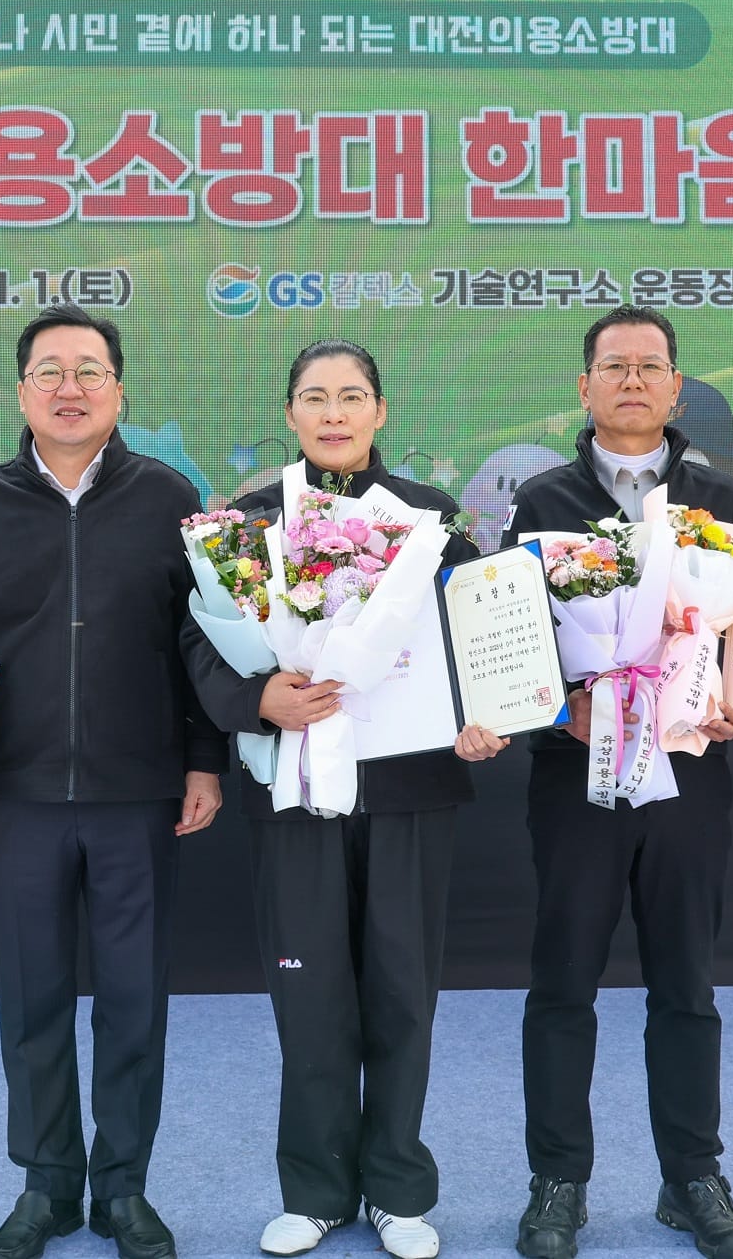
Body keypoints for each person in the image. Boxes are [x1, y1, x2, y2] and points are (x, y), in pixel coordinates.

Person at [0, 303, 226, 1259]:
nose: (69, 387)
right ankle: (46, 1185)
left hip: (140, 794)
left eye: (89, 370)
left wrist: (205, 759)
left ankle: (124, 1186)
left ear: (119, 389)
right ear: (22, 392)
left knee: (135, 996)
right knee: (32, 999)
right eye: (49, 370)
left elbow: (205, 642)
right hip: (14, 796)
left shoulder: (171, 498)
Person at [183, 339, 484, 1259]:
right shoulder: (247, 523)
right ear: (290, 415)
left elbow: (480, 632)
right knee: (308, 995)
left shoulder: (431, 520)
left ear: (380, 412)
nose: (335, 412)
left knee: (401, 991)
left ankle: (397, 1188)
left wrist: (486, 714)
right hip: (295, 787)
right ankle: (313, 1189)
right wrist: (254, 699)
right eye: (315, 397)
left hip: (410, 791)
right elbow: (198, 645)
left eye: (353, 395)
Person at [488, 306, 733, 1259]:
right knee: (563, 979)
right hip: (578, 775)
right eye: (615, 366)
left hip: (692, 769)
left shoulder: (718, 495)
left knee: (685, 981)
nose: (634, 381)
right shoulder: (541, 499)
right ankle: (557, 1180)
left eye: (652, 366)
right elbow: (514, 634)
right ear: (585, 386)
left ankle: (693, 1176)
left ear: (677, 387)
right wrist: (552, 705)